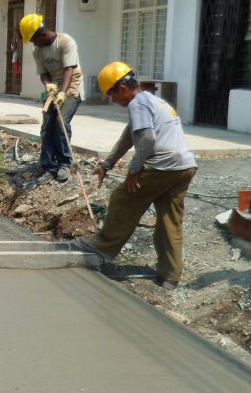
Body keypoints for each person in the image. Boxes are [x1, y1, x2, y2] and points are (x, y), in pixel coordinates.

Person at [76, 62, 197, 290]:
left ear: (122, 89)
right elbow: (129, 137)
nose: (113, 101)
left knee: (122, 199)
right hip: (185, 166)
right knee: (169, 219)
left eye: (112, 95)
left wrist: (134, 170)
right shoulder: (152, 101)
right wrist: (107, 164)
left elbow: (148, 140)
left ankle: (101, 248)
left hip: (163, 165)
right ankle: (170, 274)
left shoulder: (137, 104)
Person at [20, 13, 83, 185]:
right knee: (47, 124)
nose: (33, 44)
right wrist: (48, 85)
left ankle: (65, 163)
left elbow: (69, 70)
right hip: (54, 86)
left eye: (33, 40)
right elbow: (44, 74)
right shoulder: (37, 50)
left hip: (71, 86)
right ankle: (48, 166)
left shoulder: (65, 42)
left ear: (41, 34)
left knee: (60, 122)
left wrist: (63, 93)